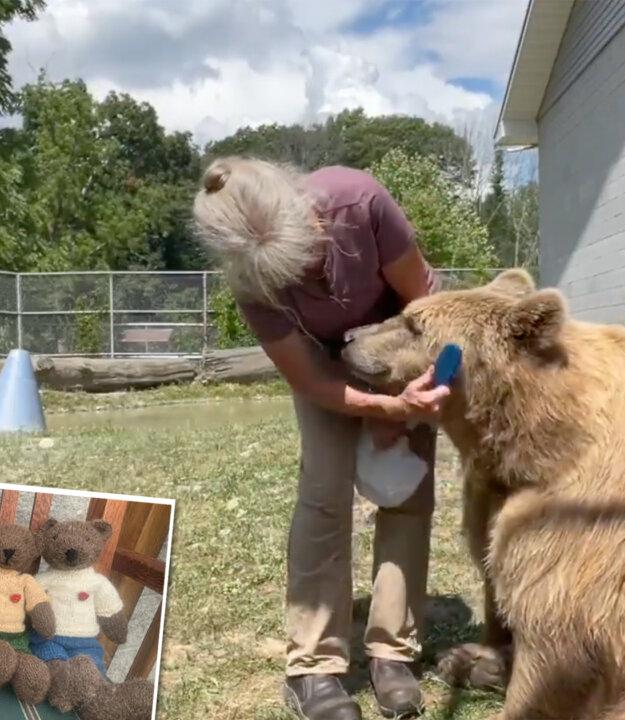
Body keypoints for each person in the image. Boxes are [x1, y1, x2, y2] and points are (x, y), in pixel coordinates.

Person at [192, 157, 450, 720]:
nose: (302, 279)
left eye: (301, 260)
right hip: (329, 371)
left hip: (402, 355)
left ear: (308, 217)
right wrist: (378, 406)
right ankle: (313, 668)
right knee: (323, 497)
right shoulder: (250, 279)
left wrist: (417, 392)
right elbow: (309, 378)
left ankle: (392, 653)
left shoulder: (360, 203)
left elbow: (429, 309)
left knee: (405, 494)